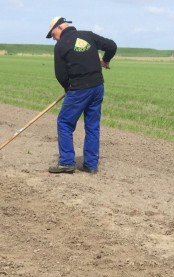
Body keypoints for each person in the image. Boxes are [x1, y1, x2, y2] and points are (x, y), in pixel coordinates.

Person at [46, 16, 117, 174]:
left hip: (78, 90)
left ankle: (66, 162)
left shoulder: (61, 46)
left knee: (64, 123)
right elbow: (112, 46)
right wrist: (105, 60)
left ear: (59, 28)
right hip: (98, 87)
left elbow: (60, 75)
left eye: (52, 35)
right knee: (92, 126)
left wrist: (68, 89)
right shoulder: (88, 35)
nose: (53, 39)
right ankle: (91, 165)